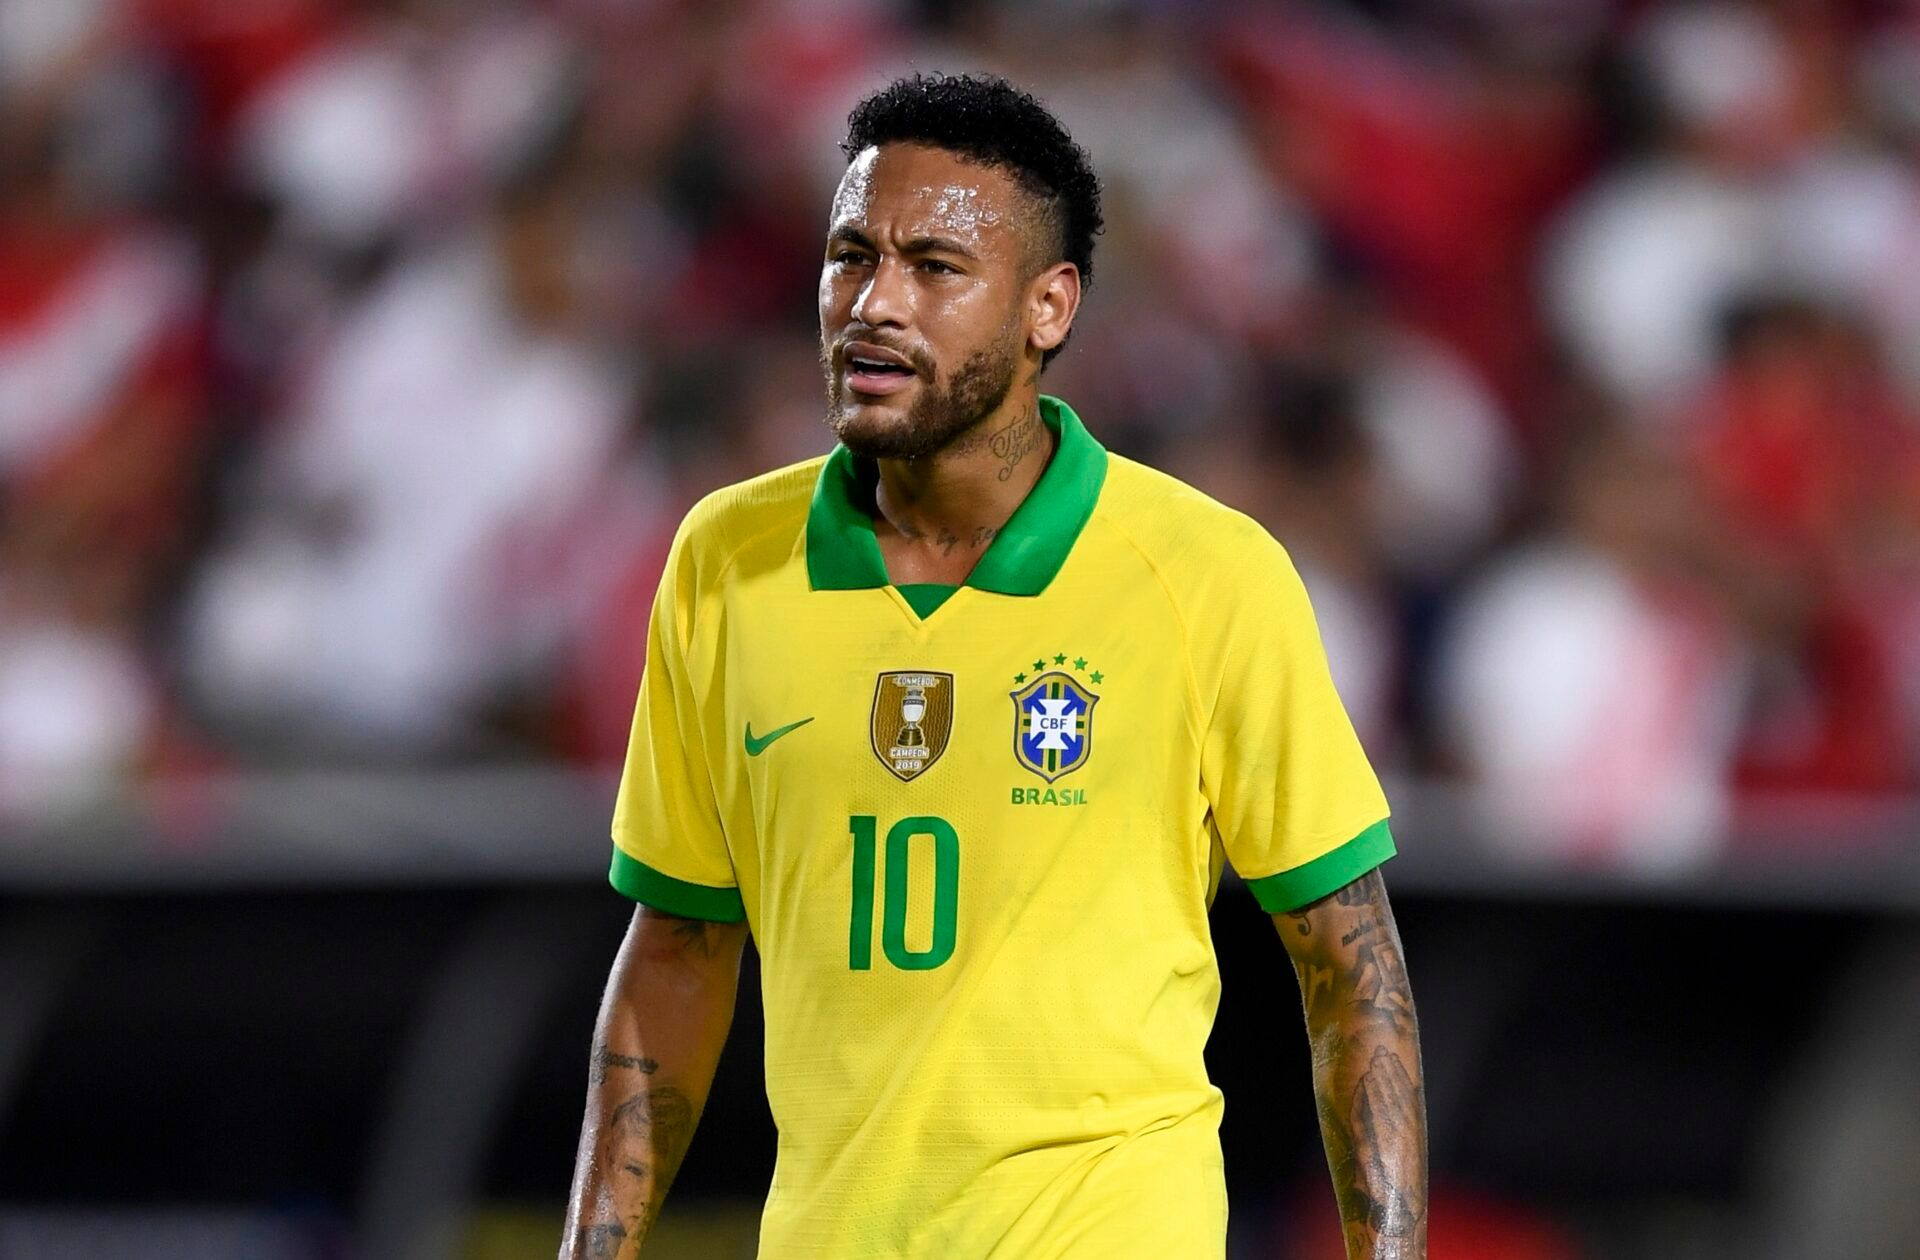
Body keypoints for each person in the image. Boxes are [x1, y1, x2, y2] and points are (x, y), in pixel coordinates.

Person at [562, 73, 1427, 1260]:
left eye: (935, 268)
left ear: (1048, 308)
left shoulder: (1204, 573)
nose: (873, 303)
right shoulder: (727, 563)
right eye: (849, 254)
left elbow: (1351, 966)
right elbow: (678, 946)